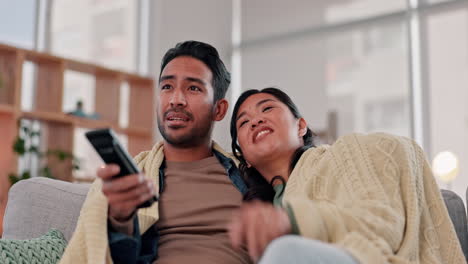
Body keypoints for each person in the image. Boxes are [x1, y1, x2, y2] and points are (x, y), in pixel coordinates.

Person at [59, 41, 252, 264]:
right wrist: (120, 220)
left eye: (193, 88)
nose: (175, 100)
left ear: (218, 109)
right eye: (167, 87)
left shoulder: (248, 174)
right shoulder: (132, 181)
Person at [227, 87, 465, 263]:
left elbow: (382, 220)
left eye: (267, 108)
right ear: (245, 156)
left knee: (284, 252)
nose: (256, 120)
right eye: (244, 122)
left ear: (300, 126)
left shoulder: (346, 153)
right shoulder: (257, 211)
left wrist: (294, 219)